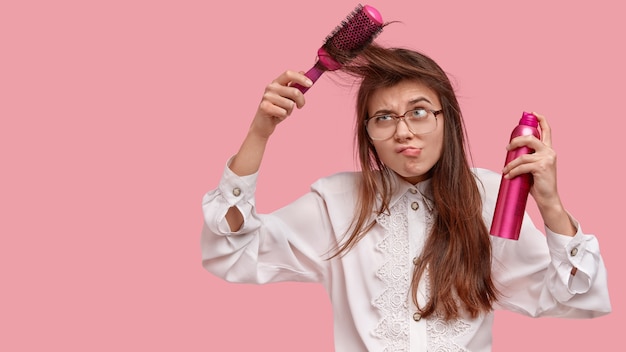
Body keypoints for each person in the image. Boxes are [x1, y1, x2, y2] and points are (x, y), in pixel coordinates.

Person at [200, 44, 611, 351]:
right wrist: (259, 133)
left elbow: (574, 297)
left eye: (418, 112)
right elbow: (233, 250)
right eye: (384, 118)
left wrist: (551, 205)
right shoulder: (336, 202)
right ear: (368, 136)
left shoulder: (489, 198)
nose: (403, 132)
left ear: (446, 119)